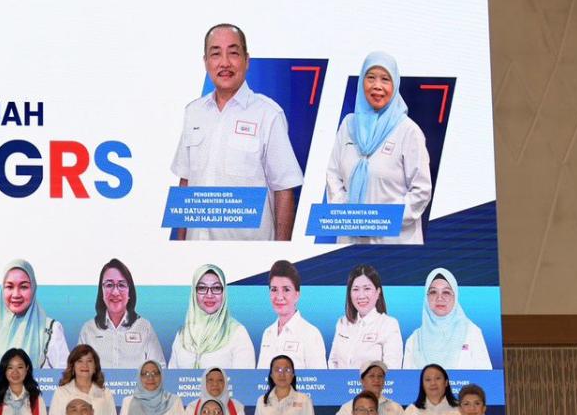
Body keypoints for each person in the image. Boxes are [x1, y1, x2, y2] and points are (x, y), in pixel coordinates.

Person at [171, 23, 304, 241]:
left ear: (246, 60)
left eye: (233, 53)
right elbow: (186, 182)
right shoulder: (193, 112)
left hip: (247, 253)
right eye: (215, 54)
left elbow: (284, 190)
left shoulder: (268, 114)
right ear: (206, 62)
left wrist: (279, 252)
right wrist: (180, 245)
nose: (224, 63)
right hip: (196, 249)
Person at [324, 51, 431, 245]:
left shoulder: (408, 131)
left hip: (394, 242)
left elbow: (421, 191)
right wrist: (347, 215)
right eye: (371, 77)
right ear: (362, 82)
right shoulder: (348, 125)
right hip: (350, 239)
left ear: (395, 85)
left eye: (385, 79)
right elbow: (333, 175)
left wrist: (381, 221)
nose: (377, 86)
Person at [77, 259, 165, 368]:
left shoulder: (144, 327)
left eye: (121, 285)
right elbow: (78, 372)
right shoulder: (88, 330)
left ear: (129, 291)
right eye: (109, 285)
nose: (115, 292)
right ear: (101, 291)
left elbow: (160, 370)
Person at [0, 259, 69, 369]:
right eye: (9, 287)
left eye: (23, 287)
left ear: (33, 288)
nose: (16, 294)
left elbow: (65, 374)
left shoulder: (51, 329)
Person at [168, 265, 256, 369]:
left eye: (216, 288)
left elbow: (245, 378)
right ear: (194, 293)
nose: (209, 295)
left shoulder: (237, 333)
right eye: (202, 288)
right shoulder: (183, 334)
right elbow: (171, 376)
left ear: (224, 292)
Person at [403, 268, 492, 369]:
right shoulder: (414, 340)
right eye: (433, 292)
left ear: (455, 296)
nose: (439, 298)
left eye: (446, 292)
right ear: (426, 297)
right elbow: (406, 378)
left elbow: (486, 375)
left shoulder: (472, 332)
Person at [328, 264, 402, 370]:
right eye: (355, 289)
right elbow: (333, 362)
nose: (361, 295)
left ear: (378, 292)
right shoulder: (342, 323)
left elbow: (392, 369)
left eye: (367, 288)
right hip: (340, 381)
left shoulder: (389, 324)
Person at [256, 260, 326, 370]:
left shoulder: (311, 334)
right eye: (274, 289)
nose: (279, 297)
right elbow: (260, 376)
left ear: (297, 295)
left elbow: (319, 379)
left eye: (286, 290)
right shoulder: (268, 333)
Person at [47, 345, 120, 415]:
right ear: (73, 366)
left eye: (89, 361)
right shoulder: (61, 393)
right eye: (80, 361)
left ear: (95, 366)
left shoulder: (105, 394)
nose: (85, 365)